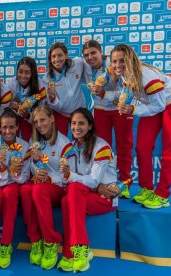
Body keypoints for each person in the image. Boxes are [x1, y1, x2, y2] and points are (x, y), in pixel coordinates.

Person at [113, 44, 171, 209]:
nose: (118, 65)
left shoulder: (147, 77)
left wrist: (133, 109)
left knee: (170, 150)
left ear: (130, 60)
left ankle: (162, 195)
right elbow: (136, 94)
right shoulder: (124, 74)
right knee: (142, 147)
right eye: (114, 61)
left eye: (122, 61)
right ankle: (147, 189)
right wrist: (124, 100)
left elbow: (159, 106)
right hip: (156, 104)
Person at [58, 107, 119, 272]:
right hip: (83, 194)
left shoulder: (101, 147)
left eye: (81, 123)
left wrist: (73, 177)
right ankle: (70, 252)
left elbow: (92, 181)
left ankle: (80, 248)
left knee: (74, 191)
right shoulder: (69, 148)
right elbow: (68, 182)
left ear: (90, 126)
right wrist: (69, 177)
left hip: (106, 198)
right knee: (66, 199)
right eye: (73, 123)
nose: (76, 127)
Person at [20, 105, 71, 270]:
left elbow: (68, 176)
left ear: (52, 119)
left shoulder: (64, 143)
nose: (40, 124)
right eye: (36, 121)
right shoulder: (34, 141)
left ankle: (50, 241)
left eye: (43, 120)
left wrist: (50, 178)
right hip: (40, 186)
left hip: (58, 188)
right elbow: (32, 170)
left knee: (38, 190)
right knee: (25, 190)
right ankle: (35, 240)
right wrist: (35, 162)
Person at [82, 40, 134, 198]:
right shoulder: (84, 67)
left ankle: (124, 183)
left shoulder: (115, 64)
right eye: (86, 55)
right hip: (101, 111)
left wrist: (105, 94)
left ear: (101, 53)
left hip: (121, 110)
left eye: (93, 53)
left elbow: (127, 92)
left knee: (124, 146)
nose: (90, 57)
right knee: (103, 149)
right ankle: (106, 183)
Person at [0, 108, 31, 268]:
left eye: (11, 127)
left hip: (13, 185)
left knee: (10, 194)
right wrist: (3, 169)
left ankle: (5, 245)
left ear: (18, 127)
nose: (8, 131)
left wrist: (16, 172)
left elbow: (24, 177)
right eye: (4, 127)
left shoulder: (25, 147)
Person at [42, 42, 85, 136]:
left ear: (66, 55)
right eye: (53, 56)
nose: (56, 59)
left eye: (60, 55)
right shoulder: (47, 78)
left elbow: (90, 61)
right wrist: (53, 99)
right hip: (61, 114)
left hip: (79, 111)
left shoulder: (77, 64)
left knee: (82, 140)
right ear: (50, 59)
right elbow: (51, 104)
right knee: (60, 141)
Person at [8, 56, 46, 141]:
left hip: (33, 121)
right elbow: (9, 106)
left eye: (27, 72)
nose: (23, 76)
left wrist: (27, 115)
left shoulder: (41, 87)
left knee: (31, 145)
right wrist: (15, 108)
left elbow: (42, 112)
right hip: (17, 119)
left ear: (33, 73)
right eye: (20, 72)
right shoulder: (13, 83)